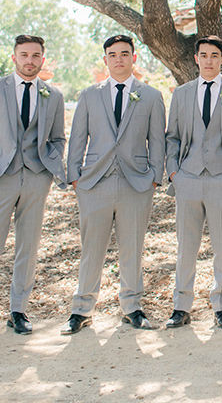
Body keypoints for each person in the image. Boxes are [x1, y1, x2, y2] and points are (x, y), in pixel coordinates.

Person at [0, 35, 66, 341]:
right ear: (14, 57)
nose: (30, 60)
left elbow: (58, 139)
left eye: (35, 55)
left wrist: (49, 166)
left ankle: (18, 311)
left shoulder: (53, 95)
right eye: (24, 55)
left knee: (28, 247)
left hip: (36, 178)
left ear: (42, 59)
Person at [61, 35, 166, 335]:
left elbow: (157, 139)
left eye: (124, 53)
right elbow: (78, 137)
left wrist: (156, 176)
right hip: (94, 183)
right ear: (105, 59)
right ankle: (81, 309)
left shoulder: (150, 96)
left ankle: (132, 307)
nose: (118, 59)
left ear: (134, 58)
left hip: (136, 183)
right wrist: (75, 176)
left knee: (132, 247)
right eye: (112, 54)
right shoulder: (89, 95)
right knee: (91, 248)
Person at [164, 36, 222, 330]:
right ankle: (181, 306)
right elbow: (172, 138)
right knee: (186, 247)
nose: (208, 60)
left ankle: (221, 305)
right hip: (187, 178)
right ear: (195, 58)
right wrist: (174, 174)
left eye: (214, 55)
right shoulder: (181, 93)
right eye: (203, 55)